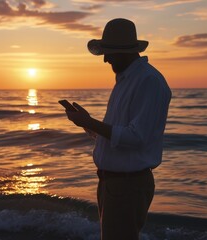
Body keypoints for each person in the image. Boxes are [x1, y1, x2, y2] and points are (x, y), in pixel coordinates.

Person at [63, 18, 171, 240]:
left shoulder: (148, 81)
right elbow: (117, 134)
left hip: (127, 185)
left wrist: (90, 123)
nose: (105, 59)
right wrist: (86, 122)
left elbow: (136, 137)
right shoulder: (126, 80)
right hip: (114, 183)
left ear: (126, 51)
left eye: (109, 52)